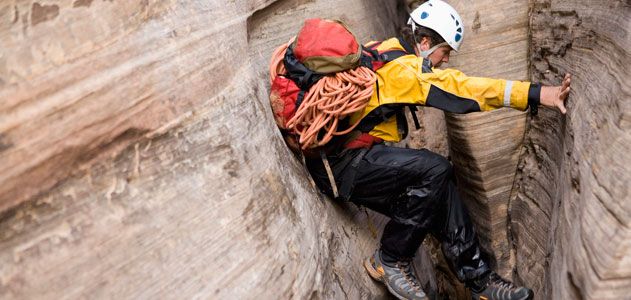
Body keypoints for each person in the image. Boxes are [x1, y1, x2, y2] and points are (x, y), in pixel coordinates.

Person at [303, 1, 572, 300]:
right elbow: (465, 89)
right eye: (445, 52)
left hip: (349, 161)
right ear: (426, 42)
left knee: (440, 184)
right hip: (341, 168)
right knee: (435, 169)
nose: (444, 61)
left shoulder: (387, 50)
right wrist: (537, 94)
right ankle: (390, 259)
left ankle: (480, 281)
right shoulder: (405, 72)